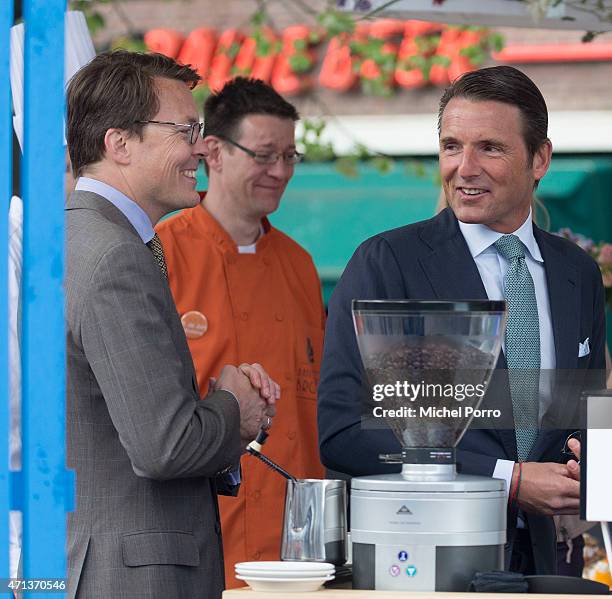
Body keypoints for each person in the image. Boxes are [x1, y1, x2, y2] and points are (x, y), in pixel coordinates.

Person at [318, 66, 606, 576]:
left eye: (489, 148)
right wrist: (507, 478)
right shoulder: (388, 263)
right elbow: (346, 432)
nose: (464, 168)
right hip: (425, 560)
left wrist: (598, 477)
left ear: (539, 159)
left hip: (550, 563)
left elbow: (580, 417)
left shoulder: (577, 273)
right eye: (452, 147)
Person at [65, 51, 280, 599]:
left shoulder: (75, 237)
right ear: (119, 143)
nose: (202, 148)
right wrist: (236, 408)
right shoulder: (114, 254)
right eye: (185, 130)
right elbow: (165, 446)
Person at [156, 77, 325, 587]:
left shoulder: (300, 264)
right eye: (265, 155)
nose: (280, 172)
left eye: (290, 157)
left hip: (295, 543)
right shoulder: (162, 250)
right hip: (201, 530)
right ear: (214, 151)